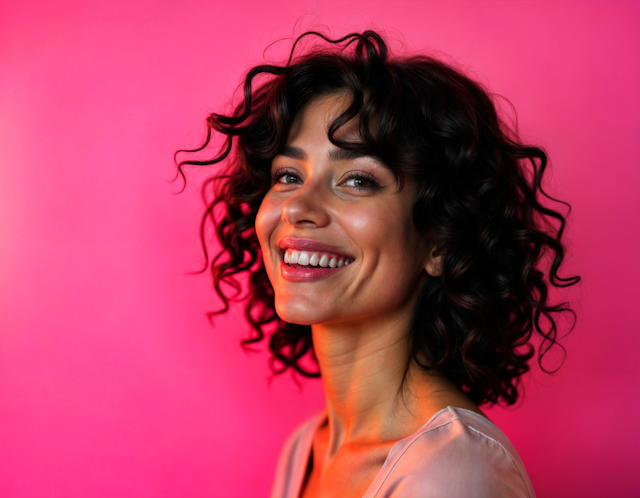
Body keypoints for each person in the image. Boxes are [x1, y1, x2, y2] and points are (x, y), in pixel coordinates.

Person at [176, 30, 580, 498]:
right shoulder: (305, 449)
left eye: (357, 180)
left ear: (439, 243)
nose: (297, 207)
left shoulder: (454, 472)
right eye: (288, 175)